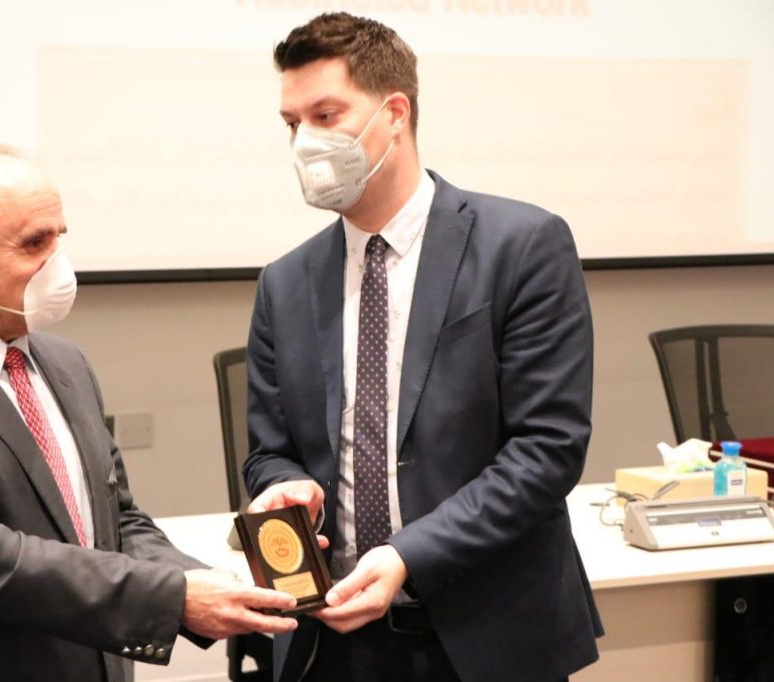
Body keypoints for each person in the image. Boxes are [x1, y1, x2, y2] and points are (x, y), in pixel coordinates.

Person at [0, 140, 298, 682]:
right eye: (33, 243)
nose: (58, 265)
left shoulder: (64, 363)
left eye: (59, 239)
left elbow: (116, 522)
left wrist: (209, 585)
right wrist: (175, 598)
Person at [244, 12, 603, 682]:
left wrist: (410, 554)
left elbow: (546, 449)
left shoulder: (522, 246)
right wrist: (283, 486)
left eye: (326, 115)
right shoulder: (284, 283)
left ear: (394, 114)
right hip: (333, 643)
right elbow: (269, 451)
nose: (305, 142)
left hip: (486, 636)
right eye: (292, 124)